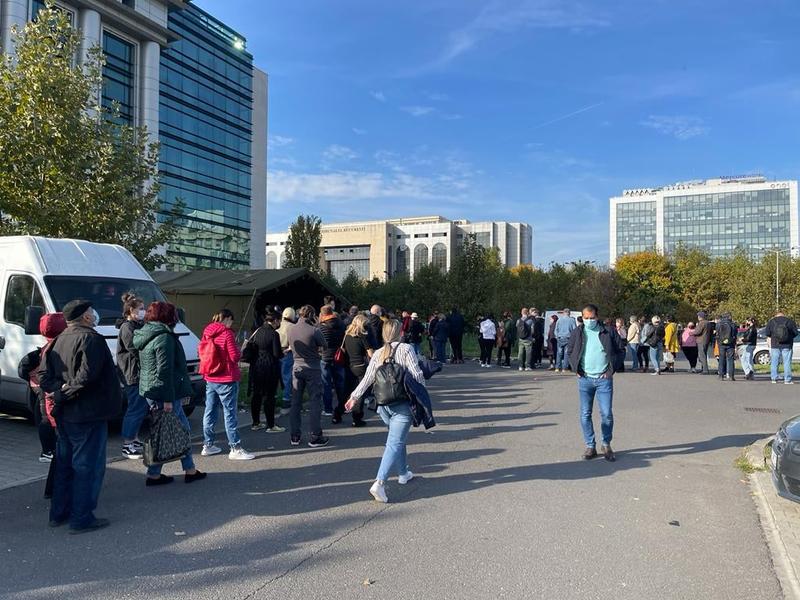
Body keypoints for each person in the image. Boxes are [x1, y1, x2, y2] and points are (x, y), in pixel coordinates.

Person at [38, 299, 122, 533]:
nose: (94, 315)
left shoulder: (58, 340)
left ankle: (59, 513)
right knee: (87, 467)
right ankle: (81, 517)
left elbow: (44, 375)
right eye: (91, 311)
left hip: (67, 414)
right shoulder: (91, 339)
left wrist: (59, 391)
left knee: (65, 465)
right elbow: (87, 377)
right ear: (85, 316)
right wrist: (65, 392)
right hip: (87, 413)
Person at [345, 319, 426, 503]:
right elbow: (416, 374)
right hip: (402, 403)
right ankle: (379, 483)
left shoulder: (379, 353)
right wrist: (423, 393)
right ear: (400, 333)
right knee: (394, 442)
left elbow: (367, 379)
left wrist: (353, 397)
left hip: (383, 405)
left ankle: (403, 472)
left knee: (397, 438)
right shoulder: (406, 349)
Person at [133, 302, 206, 486]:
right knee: (180, 429)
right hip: (165, 391)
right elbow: (165, 370)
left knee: (165, 430)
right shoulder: (164, 337)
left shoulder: (145, 333)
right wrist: (167, 399)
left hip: (151, 388)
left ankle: (160, 473)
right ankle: (185, 471)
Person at [200, 309, 255, 460]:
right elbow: (235, 356)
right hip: (226, 378)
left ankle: (208, 444)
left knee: (209, 411)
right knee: (229, 413)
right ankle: (235, 447)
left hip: (210, 376)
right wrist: (241, 349)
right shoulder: (227, 333)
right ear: (228, 318)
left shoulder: (207, 331)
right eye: (232, 320)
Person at [567, 304, 616, 462]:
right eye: (586, 318)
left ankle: (606, 444)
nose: (589, 321)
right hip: (585, 379)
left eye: (592, 318)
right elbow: (570, 351)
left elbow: (620, 350)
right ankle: (590, 445)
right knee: (585, 414)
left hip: (604, 380)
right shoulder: (578, 332)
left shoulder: (608, 332)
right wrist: (575, 368)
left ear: (597, 316)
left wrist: (611, 370)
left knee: (606, 414)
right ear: (582, 317)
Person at [287, 305, 329, 447]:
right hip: (313, 367)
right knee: (315, 401)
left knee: (295, 402)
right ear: (311, 315)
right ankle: (315, 435)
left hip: (296, 366)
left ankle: (295, 435)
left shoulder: (290, 329)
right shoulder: (314, 330)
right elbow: (325, 345)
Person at [117, 292, 147, 459]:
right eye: (141, 309)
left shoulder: (137, 326)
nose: (144, 312)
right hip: (132, 373)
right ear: (131, 311)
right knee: (135, 408)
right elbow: (135, 349)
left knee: (140, 408)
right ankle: (127, 443)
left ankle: (134, 439)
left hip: (137, 373)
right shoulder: (127, 328)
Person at [247, 311, 284, 432]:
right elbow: (277, 353)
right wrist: (284, 352)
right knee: (269, 396)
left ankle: (255, 422)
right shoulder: (274, 334)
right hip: (270, 367)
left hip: (256, 366)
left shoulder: (257, 331)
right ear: (275, 321)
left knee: (256, 395)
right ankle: (271, 424)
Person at [336, 314, 372, 427]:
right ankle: (357, 418)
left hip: (349, 366)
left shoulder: (347, 335)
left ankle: (337, 414)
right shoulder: (362, 336)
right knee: (360, 392)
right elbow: (370, 353)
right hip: (360, 365)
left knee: (346, 392)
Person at [319, 305, 347, 418]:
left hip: (325, 357)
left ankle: (328, 409)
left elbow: (319, 343)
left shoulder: (321, 327)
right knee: (340, 383)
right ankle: (343, 407)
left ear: (323, 314)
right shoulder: (341, 324)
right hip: (338, 356)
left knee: (326, 384)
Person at [764, 310, 798, 384]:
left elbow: (767, 333)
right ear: (784, 315)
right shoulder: (790, 321)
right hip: (787, 345)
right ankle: (787, 380)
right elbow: (795, 333)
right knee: (787, 362)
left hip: (775, 345)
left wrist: (774, 337)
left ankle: (774, 378)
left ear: (776, 315)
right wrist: (788, 337)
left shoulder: (771, 321)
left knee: (774, 362)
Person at [278, 307, 297, 414]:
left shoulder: (278, 324)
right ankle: (286, 400)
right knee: (287, 377)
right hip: (288, 352)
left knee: (277, 376)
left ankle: (275, 398)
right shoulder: (293, 327)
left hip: (277, 352)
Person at [554, 308, 576, 373]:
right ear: (569, 313)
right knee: (566, 354)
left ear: (563, 313)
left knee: (559, 353)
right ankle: (564, 368)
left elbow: (556, 330)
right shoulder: (572, 320)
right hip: (568, 338)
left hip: (560, 338)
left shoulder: (559, 320)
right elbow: (574, 330)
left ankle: (557, 367)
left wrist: (557, 336)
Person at [716, 312, 737, 381]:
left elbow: (717, 333)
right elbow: (735, 334)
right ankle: (731, 375)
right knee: (730, 359)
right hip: (730, 344)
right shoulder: (733, 324)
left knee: (721, 359)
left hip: (721, 344)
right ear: (729, 317)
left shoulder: (719, 324)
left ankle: (721, 375)